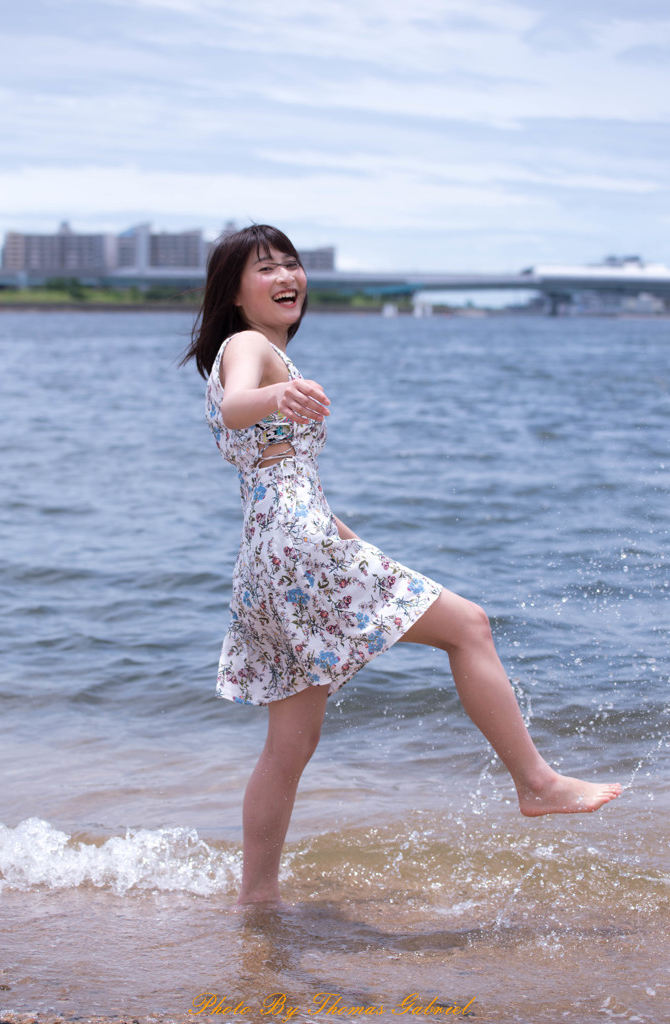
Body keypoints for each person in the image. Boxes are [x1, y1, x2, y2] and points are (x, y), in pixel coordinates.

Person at [181, 224, 621, 906]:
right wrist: (272, 398)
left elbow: (283, 480)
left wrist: (357, 544)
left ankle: (256, 900)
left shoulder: (260, 353)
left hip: (271, 554)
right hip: (295, 548)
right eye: (265, 269)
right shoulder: (248, 348)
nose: (286, 276)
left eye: (291, 264)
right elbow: (241, 404)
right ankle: (537, 784)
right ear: (235, 295)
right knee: (469, 626)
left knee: (288, 746)